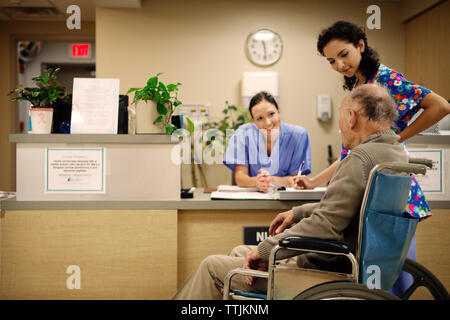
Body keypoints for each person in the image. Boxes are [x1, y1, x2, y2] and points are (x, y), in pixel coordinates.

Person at [172, 84, 407, 300]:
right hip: (343, 260)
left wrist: (265, 249)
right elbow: (353, 209)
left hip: (323, 271)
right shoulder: (395, 152)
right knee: (240, 251)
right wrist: (298, 212)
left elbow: (324, 225)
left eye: (341, 117)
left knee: (212, 266)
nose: (339, 126)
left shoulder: (361, 158)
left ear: (352, 117)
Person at [294, 20, 450, 297]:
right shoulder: (360, 85)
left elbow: (440, 106)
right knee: (377, 280)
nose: (340, 65)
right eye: (331, 60)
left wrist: (398, 138)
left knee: (391, 279)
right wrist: (313, 181)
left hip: (391, 196)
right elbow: (352, 156)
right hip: (376, 191)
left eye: (344, 54)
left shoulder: (385, 80)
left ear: (361, 46)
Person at [223, 91, 311, 193]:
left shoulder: (298, 135)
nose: (267, 123)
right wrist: (257, 182)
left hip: (287, 200)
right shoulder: (243, 134)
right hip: (252, 200)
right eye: (259, 118)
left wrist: (271, 180)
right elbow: (240, 178)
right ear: (253, 121)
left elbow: (297, 180)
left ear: (278, 112)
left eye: (271, 114)